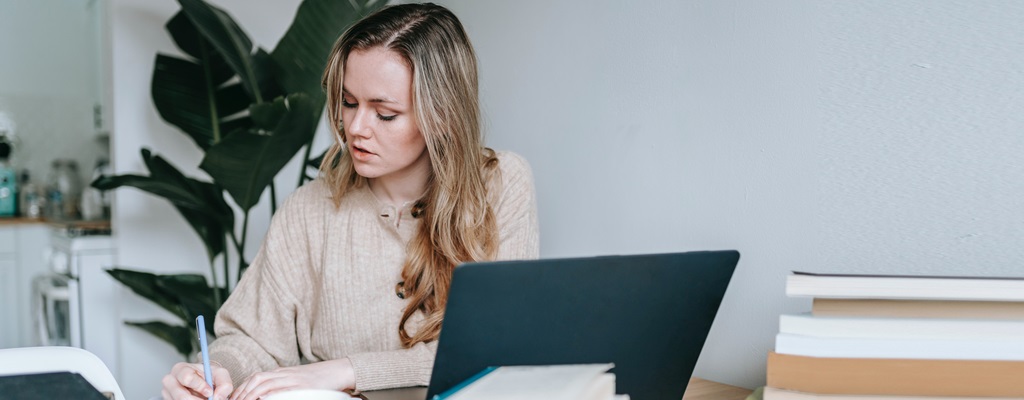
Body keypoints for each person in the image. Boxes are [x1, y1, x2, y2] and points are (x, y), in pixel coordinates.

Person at [160, 3, 539, 400]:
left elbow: (499, 346)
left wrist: (346, 371)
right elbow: (252, 339)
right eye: (349, 102)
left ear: (442, 115)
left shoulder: (500, 185)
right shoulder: (308, 210)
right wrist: (218, 370)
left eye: (385, 113)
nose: (355, 128)